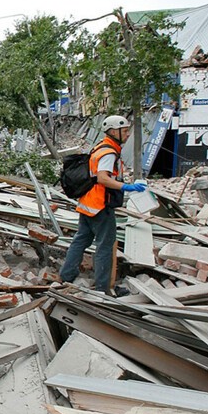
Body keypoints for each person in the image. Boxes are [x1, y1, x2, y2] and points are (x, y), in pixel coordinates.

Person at [60, 115, 147, 294]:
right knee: (105, 246)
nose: (128, 134)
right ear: (114, 131)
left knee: (81, 240)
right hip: (101, 206)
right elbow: (102, 178)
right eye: (125, 131)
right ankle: (104, 288)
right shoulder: (109, 152)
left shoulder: (101, 147)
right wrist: (127, 186)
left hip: (88, 203)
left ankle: (66, 276)